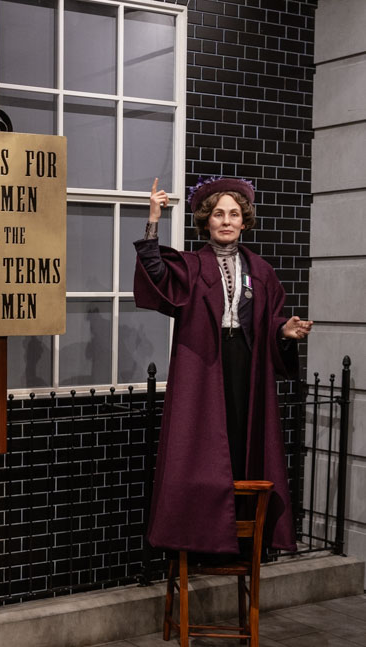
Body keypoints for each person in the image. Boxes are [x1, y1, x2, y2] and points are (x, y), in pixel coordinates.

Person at [133, 176, 312, 555]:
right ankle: (200, 536)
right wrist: (153, 218)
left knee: (242, 443)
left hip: (246, 368)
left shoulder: (260, 271)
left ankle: (243, 536)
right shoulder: (193, 266)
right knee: (203, 448)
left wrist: (285, 331)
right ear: (206, 221)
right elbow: (155, 272)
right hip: (203, 366)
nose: (226, 221)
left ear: (244, 221)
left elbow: (268, 322)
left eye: (233, 214)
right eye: (218, 214)